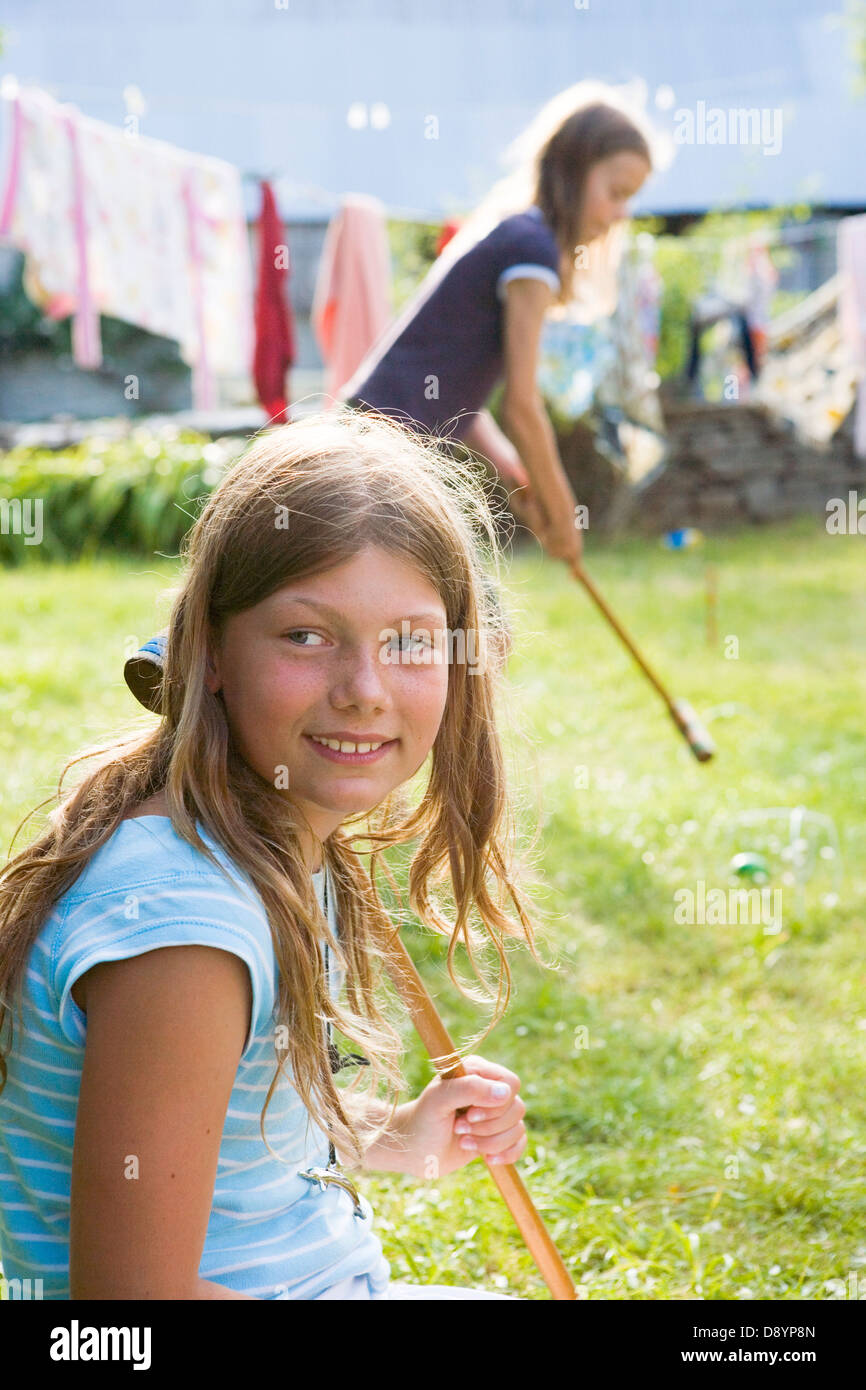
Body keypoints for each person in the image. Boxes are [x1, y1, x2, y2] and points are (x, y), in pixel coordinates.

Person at [0, 409, 553, 1301]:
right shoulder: (186, 932)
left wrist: (395, 1135)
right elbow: (125, 1314)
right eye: (306, 635)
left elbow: (236, 1137)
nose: (364, 691)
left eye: (409, 642)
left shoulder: (268, 846)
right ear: (211, 651)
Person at [339, 82, 656, 567]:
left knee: (458, 615)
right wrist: (563, 509)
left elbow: (457, 384)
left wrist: (513, 467)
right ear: (571, 172)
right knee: (465, 611)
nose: (621, 214)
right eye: (615, 193)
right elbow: (522, 406)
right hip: (378, 455)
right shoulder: (532, 249)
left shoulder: (518, 234)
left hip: (371, 436)